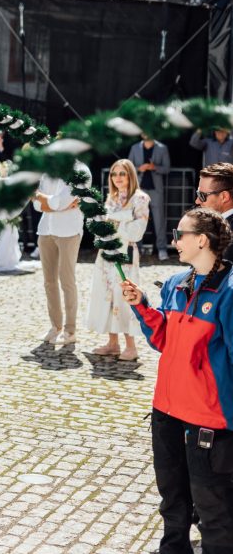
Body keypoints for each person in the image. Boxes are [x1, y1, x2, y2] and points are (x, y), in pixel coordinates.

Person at [122, 207, 233, 552]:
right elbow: (163, 340)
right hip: (166, 410)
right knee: (172, 497)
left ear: (202, 240)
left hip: (208, 418)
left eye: (179, 234)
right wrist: (142, 305)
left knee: (213, 508)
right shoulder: (175, 283)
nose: (174, 241)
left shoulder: (230, 292)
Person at [86, 159, 149, 361]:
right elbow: (103, 226)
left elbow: (138, 230)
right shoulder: (111, 198)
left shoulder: (140, 198)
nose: (117, 178)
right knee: (107, 295)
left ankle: (131, 346)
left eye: (122, 173)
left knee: (125, 295)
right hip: (106, 254)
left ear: (130, 175)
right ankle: (112, 343)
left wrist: (117, 223)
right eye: (114, 174)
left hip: (125, 253)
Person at [33, 161, 91, 345]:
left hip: (69, 230)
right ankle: (55, 326)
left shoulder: (81, 171)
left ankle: (70, 331)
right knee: (49, 282)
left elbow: (59, 201)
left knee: (67, 281)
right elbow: (38, 206)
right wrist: (55, 203)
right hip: (46, 229)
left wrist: (44, 198)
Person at [128, 135, 171, 261]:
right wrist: (138, 168)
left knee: (159, 220)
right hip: (139, 189)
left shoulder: (162, 148)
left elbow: (167, 168)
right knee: (137, 219)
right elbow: (128, 167)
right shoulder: (135, 147)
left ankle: (161, 249)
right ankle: (137, 249)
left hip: (156, 190)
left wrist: (154, 167)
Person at [194, 162, 233, 262]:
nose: (197, 201)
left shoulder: (227, 233)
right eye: (198, 194)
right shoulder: (219, 224)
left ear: (224, 197)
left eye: (202, 195)